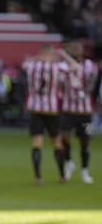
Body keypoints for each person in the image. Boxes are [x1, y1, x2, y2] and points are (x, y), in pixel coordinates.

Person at [23, 45, 75, 184]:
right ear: (50, 53)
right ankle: (62, 175)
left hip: (35, 109)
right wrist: (63, 55)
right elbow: (75, 67)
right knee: (57, 143)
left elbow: (24, 64)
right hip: (51, 110)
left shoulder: (32, 65)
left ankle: (38, 177)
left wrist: (37, 56)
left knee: (36, 144)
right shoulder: (57, 67)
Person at [59, 41, 98, 184]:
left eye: (77, 48)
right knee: (63, 137)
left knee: (85, 141)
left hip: (85, 110)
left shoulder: (90, 65)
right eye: (73, 48)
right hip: (68, 109)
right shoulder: (64, 65)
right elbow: (61, 83)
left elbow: (92, 81)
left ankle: (84, 171)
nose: (75, 50)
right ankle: (69, 162)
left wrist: (85, 93)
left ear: (82, 50)